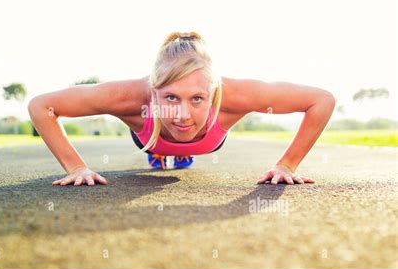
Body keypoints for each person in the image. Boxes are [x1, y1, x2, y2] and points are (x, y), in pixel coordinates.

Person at [28, 31, 336, 187]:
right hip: (150, 135)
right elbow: (43, 106)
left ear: (214, 93)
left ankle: (180, 152)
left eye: (197, 99)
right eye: (171, 98)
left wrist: (287, 165)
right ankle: (161, 151)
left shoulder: (238, 95)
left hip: (210, 140)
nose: (183, 115)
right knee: (161, 146)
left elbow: (320, 100)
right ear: (153, 90)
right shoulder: (128, 97)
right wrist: (76, 168)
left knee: (182, 140)